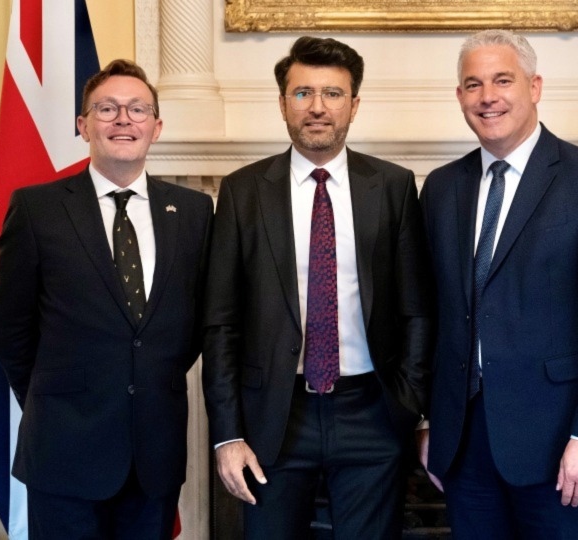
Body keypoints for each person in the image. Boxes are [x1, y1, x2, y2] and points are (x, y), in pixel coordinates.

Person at [202, 36, 434, 538]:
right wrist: (227, 435)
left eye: (332, 94)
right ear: (283, 103)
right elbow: (221, 324)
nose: (318, 108)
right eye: (303, 93)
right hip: (275, 418)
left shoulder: (393, 186)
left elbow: (417, 308)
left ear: (354, 105)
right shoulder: (243, 192)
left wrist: (409, 403)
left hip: (370, 411)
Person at [418, 30, 578, 538]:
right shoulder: (441, 188)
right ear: (460, 98)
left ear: (535, 86)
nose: (487, 96)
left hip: (563, 444)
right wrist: (430, 423)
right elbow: (434, 314)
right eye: (472, 84)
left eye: (503, 79)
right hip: (464, 445)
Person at [0, 59, 213, 539]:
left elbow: (195, 322)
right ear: (83, 125)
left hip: (155, 449)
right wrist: (56, 393)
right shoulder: (37, 208)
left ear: (157, 125)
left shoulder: (193, 211)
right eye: (107, 108)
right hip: (64, 446)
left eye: (137, 109)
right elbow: (8, 326)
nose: (123, 120)